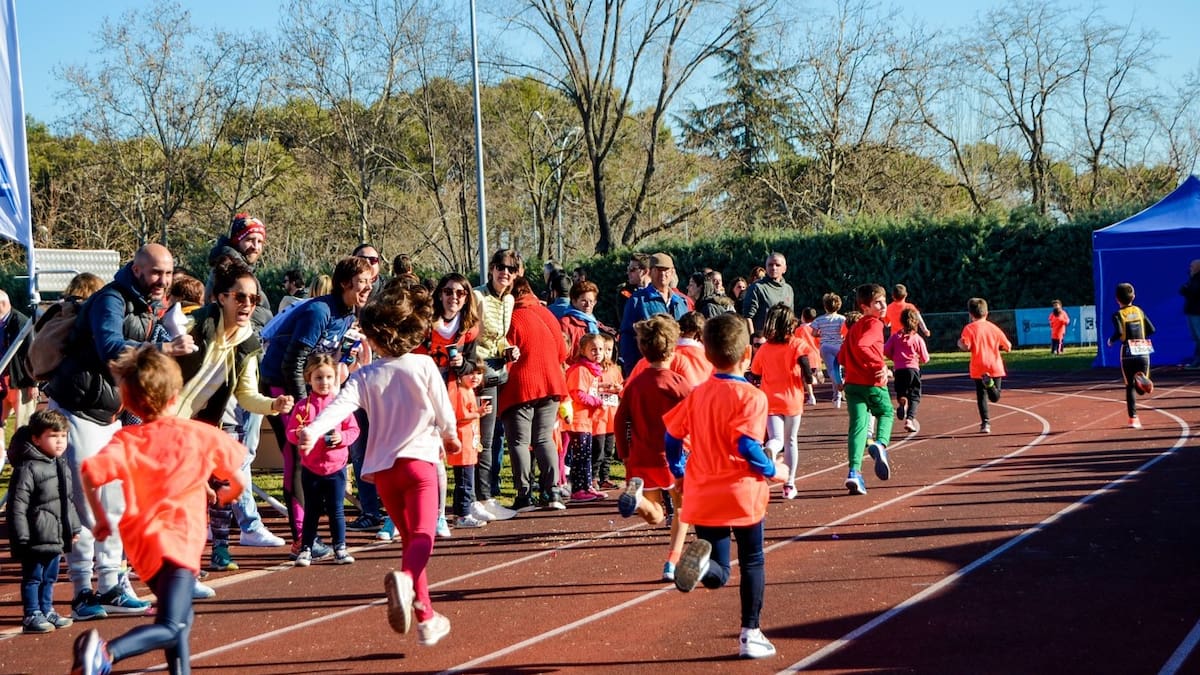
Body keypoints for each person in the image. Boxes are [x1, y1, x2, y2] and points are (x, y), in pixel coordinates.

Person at [296, 283, 459, 648]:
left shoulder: (365, 375)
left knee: (409, 542)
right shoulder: (424, 364)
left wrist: (314, 429)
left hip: (384, 473)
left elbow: (339, 405)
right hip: (419, 466)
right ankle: (407, 582)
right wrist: (450, 436)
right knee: (423, 537)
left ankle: (426, 617)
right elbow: (444, 409)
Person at [70, 345, 246, 675]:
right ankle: (105, 654)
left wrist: (101, 521)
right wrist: (225, 495)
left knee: (180, 619)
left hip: (142, 547)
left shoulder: (126, 439)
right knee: (173, 625)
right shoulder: (199, 434)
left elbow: (90, 473)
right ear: (175, 394)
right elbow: (236, 481)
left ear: (129, 401)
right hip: (179, 541)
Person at [45, 244, 192, 621]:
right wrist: (163, 347)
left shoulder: (150, 305)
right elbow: (111, 346)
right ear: (138, 269)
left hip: (111, 415)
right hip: (78, 410)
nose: (163, 280)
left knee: (116, 505)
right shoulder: (110, 299)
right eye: (156, 272)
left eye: (169, 272)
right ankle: (81, 592)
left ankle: (111, 584)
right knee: (86, 505)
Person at [662, 313, 788, 659]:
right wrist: (773, 469)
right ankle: (751, 632)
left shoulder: (698, 394)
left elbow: (672, 436)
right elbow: (746, 446)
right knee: (752, 559)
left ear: (707, 355)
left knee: (719, 568)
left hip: (703, 491)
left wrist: (678, 469)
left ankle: (703, 567)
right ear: (746, 355)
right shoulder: (753, 397)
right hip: (742, 490)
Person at [175, 258, 295, 575]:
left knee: (226, 484)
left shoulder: (248, 343)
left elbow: (246, 394)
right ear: (222, 297)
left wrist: (273, 404)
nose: (247, 304)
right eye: (240, 296)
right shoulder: (194, 326)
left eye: (253, 299)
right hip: (175, 422)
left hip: (213, 424)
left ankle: (219, 549)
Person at [260, 255, 374, 556]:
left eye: (370, 282)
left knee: (318, 451)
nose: (368, 287)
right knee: (298, 453)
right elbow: (293, 362)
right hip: (281, 384)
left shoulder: (349, 314)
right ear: (344, 283)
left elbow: (332, 358)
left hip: (312, 388)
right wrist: (304, 408)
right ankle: (301, 538)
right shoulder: (319, 311)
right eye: (362, 282)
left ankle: (311, 533)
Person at [615, 315, 691, 580]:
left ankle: (636, 499)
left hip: (640, 456)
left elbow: (619, 419)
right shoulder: (678, 383)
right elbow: (697, 413)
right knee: (682, 508)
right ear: (673, 348)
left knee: (656, 515)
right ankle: (672, 562)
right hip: (673, 457)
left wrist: (625, 455)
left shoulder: (634, 384)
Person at [6, 409, 80, 633]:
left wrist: (73, 527)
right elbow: (17, 505)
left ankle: (47, 609)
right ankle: (32, 613)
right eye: (53, 436)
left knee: (50, 576)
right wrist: (22, 536)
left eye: (63, 436)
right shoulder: (27, 468)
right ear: (36, 439)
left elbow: (67, 500)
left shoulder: (60, 465)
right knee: (33, 577)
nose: (59, 441)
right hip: (35, 535)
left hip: (54, 534)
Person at [500, 276, 570, 511]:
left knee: (519, 441)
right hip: (551, 383)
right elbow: (563, 351)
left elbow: (504, 352)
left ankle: (524, 493)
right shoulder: (546, 313)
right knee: (543, 438)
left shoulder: (510, 317)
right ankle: (552, 491)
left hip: (521, 384)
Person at [287, 354, 361, 565]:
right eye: (319, 378)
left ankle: (340, 547)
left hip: (336, 467)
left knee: (336, 509)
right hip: (311, 468)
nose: (324, 382)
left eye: (329, 377)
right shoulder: (302, 407)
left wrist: (341, 438)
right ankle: (306, 548)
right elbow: (290, 432)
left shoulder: (340, 405)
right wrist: (298, 434)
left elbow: (353, 430)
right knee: (312, 510)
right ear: (309, 378)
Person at [749, 304, 816, 501]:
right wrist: (810, 379)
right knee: (791, 440)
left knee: (777, 438)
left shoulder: (765, 348)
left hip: (770, 399)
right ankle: (789, 483)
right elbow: (805, 364)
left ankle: (771, 447)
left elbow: (755, 372)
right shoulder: (797, 344)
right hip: (792, 400)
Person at [472, 249, 520, 519]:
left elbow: (499, 338)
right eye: (501, 267)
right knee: (478, 437)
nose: (505, 273)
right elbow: (470, 335)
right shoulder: (478, 296)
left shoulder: (509, 300)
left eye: (511, 269)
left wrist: (508, 349)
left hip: (496, 373)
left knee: (490, 437)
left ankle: (486, 495)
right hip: (475, 375)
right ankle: (476, 498)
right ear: (491, 269)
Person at [839, 284, 895, 495]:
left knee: (858, 428)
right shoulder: (874, 324)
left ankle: (854, 472)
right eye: (877, 303)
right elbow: (864, 346)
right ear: (865, 307)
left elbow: (842, 356)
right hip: (872, 383)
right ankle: (880, 443)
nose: (883, 306)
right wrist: (879, 364)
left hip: (852, 385)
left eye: (884, 301)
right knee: (886, 412)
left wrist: (839, 378)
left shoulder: (854, 327)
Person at [619, 252, 689, 375]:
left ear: (672, 272)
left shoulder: (681, 302)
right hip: (648, 371)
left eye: (666, 270)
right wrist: (632, 372)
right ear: (650, 272)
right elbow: (627, 338)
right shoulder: (637, 301)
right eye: (658, 270)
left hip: (678, 370)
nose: (663, 274)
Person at [957, 297, 1012, 435]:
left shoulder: (969, 328)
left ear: (970, 314)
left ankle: (985, 423)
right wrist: (1001, 346)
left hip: (978, 366)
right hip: (994, 365)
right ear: (986, 313)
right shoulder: (994, 328)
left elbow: (966, 346)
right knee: (995, 397)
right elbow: (1008, 346)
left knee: (981, 396)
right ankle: (991, 384)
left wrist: (960, 343)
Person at [1106, 283, 1157, 429]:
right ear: (1133, 297)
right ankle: (1141, 378)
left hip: (1128, 351)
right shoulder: (1139, 311)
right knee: (1141, 389)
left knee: (1129, 387)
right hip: (1143, 349)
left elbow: (1119, 331)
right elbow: (1152, 329)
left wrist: (1111, 340)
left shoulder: (1117, 315)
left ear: (1117, 299)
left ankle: (1133, 419)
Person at [446, 365, 491, 528]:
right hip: (463, 444)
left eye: (478, 373)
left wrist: (479, 412)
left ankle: (461, 512)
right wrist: (478, 413)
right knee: (465, 481)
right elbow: (459, 415)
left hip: (470, 443)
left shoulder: (470, 391)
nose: (475, 377)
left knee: (463, 480)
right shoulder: (460, 391)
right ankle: (463, 514)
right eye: (470, 374)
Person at [564, 333, 607, 502]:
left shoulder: (591, 370)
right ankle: (578, 488)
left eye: (601, 349)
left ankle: (587, 485)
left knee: (587, 454)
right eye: (593, 349)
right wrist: (597, 402)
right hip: (578, 420)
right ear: (583, 350)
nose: (598, 353)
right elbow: (577, 394)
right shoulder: (581, 369)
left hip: (587, 421)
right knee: (580, 456)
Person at [884, 308, 930, 433]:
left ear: (901, 321)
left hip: (899, 370)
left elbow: (886, 350)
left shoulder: (895, 337)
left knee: (901, 392)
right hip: (913, 369)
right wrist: (919, 359)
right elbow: (926, 358)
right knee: (914, 396)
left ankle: (902, 401)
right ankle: (909, 419)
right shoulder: (917, 339)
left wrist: (894, 358)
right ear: (915, 322)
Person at [1, 290, 37, 449]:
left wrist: (33, 383)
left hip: (20, 381)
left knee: (23, 424)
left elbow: (32, 353)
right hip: (3, 380)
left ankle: (22, 459)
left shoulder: (21, 322)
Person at [741, 253, 794, 342]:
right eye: (770, 265)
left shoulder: (788, 289)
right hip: (763, 341)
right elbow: (748, 317)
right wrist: (754, 341)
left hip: (783, 342)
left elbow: (791, 318)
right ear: (766, 268)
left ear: (784, 269)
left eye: (777, 265)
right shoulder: (757, 287)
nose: (773, 268)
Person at [811, 292, 847, 408]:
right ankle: (837, 395)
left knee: (832, 370)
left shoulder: (819, 320)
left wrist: (821, 334)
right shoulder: (842, 319)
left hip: (825, 346)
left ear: (825, 306)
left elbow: (814, 333)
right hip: (839, 346)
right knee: (838, 370)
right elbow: (844, 332)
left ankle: (837, 392)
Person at [615, 253, 650, 325]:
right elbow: (623, 320)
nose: (628, 272)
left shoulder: (658, 291)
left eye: (632, 269)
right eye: (628, 269)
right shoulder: (624, 292)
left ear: (645, 271)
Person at [1182, 260, 1200, 369]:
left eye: (1192, 266)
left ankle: (1197, 362)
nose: (1190, 268)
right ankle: (1197, 362)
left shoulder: (1197, 280)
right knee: (1197, 338)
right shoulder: (1193, 279)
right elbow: (1183, 290)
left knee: (1199, 337)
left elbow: (1192, 291)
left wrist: (1187, 290)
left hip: (1197, 312)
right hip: (1192, 312)